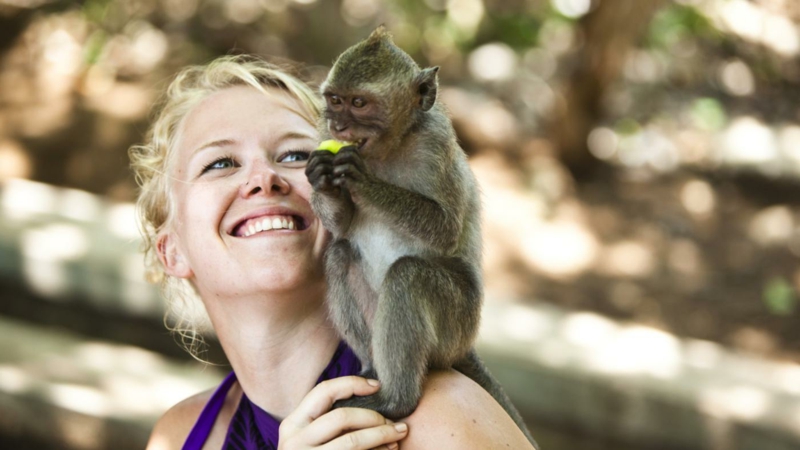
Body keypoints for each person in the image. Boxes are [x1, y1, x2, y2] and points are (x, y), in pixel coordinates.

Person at [130, 54, 535, 449]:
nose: (263, 179)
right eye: (220, 163)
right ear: (172, 251)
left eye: (295, 155)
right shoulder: (182, 434)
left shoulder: (443, 419)